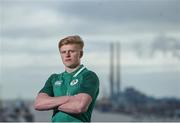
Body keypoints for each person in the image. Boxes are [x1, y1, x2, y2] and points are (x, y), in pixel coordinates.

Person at [34, 35, 99, 122]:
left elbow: (79, 106)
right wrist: (69, 99)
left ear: (81, 54)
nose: (67, 55)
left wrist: (51, 103)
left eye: (71, 51)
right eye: (63, 52)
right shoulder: (54, 78)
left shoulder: (89, 76)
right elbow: (39, 104)